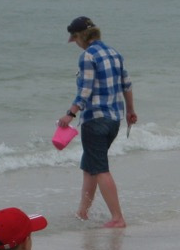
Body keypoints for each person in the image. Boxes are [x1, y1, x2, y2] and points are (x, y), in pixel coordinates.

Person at [57, 16, 137, 229]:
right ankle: (82, 212)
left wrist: (70, 114)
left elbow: (85, 89)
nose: (75, 44)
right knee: (90, 165)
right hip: (114, 120)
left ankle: (117, 218)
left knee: (100, 168)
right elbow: (127, 85)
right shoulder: (114, 53)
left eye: (75, 39)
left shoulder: (88, 56)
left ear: (79, 37)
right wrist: (130, 111)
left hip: (95, 120)